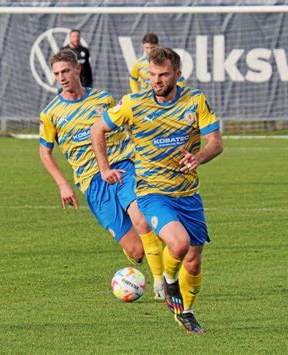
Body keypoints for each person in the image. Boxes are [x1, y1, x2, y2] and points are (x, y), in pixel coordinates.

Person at [91, 47, 223, 334]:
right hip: (152, 192)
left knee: (194, 260)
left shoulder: (194, 100)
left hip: (188, 194)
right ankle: (167, 280)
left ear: (178, 74)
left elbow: (215, 141)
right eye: (152, 75)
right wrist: (103, 168)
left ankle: (185, 312)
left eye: (163, 75)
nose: (156, 81)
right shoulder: (134, 104)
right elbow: (97, 129)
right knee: (178, 244)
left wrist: (198, 158)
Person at [39, 49, 165, 300]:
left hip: (122, 167)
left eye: (65, 71)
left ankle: (162, 283)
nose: (62, 77)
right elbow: (45, 153)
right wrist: (63, 185)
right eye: (56, 74)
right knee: (137, 250)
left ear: (77, 69)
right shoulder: (51, 113)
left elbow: (127, 127)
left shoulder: (103, 99)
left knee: (140, 219)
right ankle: (143, 257)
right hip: (93, 184)